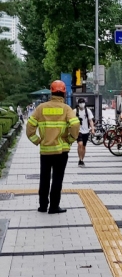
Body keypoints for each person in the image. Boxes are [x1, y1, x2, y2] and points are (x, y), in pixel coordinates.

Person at [26, 80, 80, 214]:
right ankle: (54, 206)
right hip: (61, 151)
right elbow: (75, 125)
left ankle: (43, 205)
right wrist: (70, 139)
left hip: (45, 151)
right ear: (63, 93)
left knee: (44, 178)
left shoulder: (41, 108)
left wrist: (37, 140)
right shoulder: (66, 109)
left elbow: (29, 127)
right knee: (57, 178)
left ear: (51, 92)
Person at [74, 98, 95, 167]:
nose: (82, 104)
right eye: (80, 103)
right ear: (78, 104)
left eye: (83, 102)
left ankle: (82, 159)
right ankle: (80, 159)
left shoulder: (87, 111)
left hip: (86, 131)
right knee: (80, 144)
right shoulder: (75, 111)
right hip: (78, 131)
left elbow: (90, 120)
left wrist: (92, 129)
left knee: (83, 146)